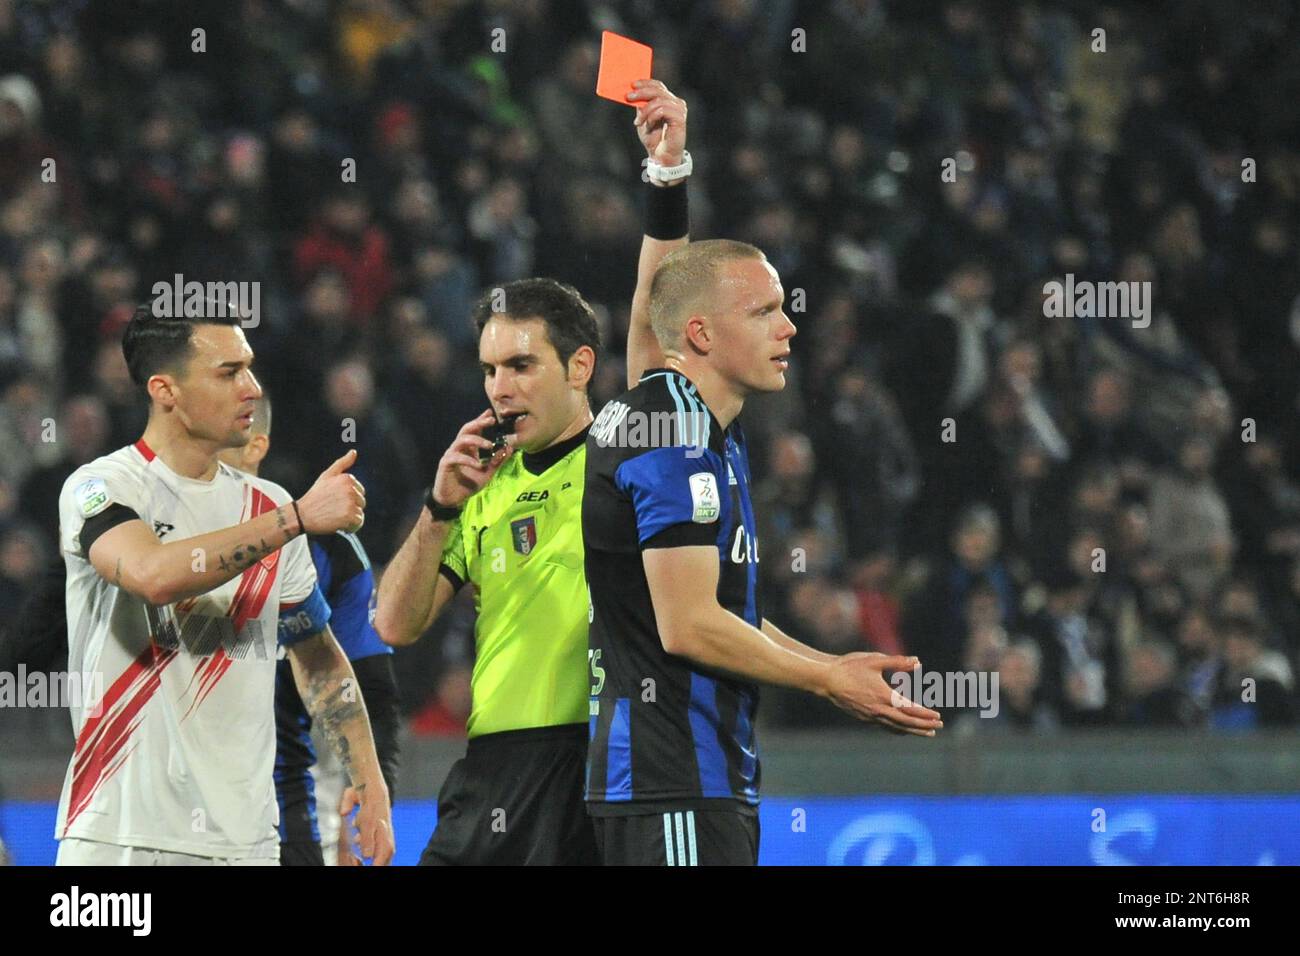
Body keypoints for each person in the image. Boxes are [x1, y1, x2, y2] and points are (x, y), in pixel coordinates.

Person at [375, 78, 692, 865]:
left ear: (581, 364)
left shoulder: (626, 449)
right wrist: (438, 508)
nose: (500, 387)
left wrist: (666, 176)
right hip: (494, 770)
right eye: (488, 370)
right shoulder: (480, 486)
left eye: (520, 364)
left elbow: (656, 318)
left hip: (594, 758)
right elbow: (393, 624)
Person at [583, 238, 944, 866]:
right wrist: (826, 677)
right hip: (672, 782)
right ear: (700, 334)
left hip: (687, 781)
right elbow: (689, 625)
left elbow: (721, 610)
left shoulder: (697, 425)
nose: (789, 325)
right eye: (763, 311)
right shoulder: (676, 432)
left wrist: (832, 673)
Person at [54, 299, 393, 865]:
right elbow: (152, 575)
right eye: (229, 372)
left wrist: (371, 779)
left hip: (247, 845)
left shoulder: (268, 504)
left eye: (250, 367)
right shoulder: (102, 487)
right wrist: (297, 521)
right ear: (166, 391)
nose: (253, 388)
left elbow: (318, 656)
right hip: (122, 839)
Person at [216, 395, 401, 866]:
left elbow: (369, 692)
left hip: (280, 804)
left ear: (256, 443)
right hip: (161, 801)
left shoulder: (320, 550)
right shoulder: (142, 528)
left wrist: (368, 805)